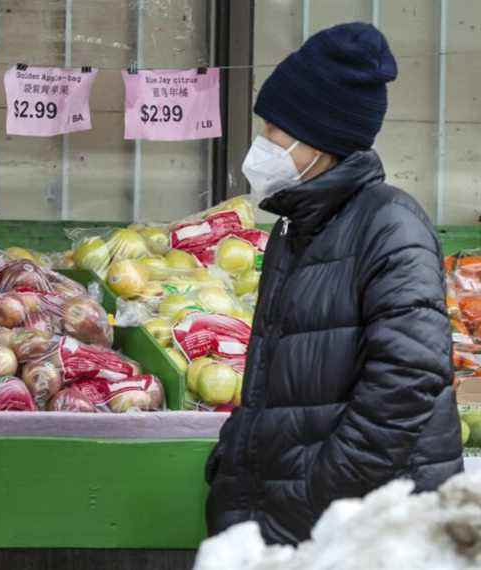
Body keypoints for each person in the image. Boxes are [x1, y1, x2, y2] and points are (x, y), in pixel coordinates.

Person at [205, 22, 463, 546]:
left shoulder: (390, 225)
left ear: (322, 141)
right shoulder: (296, 224)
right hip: (304, 514)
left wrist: (321, 497)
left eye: (277, 133)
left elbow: (407, 381)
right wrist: (236, 456)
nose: (262, 146)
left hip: (362, 527)